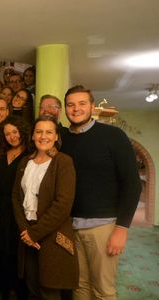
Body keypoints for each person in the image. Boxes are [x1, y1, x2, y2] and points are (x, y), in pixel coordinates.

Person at [61, 85, 141, 300]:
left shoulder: (113, 136)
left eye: (81, 103)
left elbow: (132, 184)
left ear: (92, 107)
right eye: (70, 104)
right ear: (65, 109)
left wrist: (122, 228)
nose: (76, 109)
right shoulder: (62, 140)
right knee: (79, 288)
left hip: (103, 227)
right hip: (71, 227)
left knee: (103, 291)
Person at [12, 115, 79, 299]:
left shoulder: (63, 162)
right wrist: (26, 231)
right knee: (31, 289)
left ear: (56, 136)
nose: (43, 136)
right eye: (39, 132)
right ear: (32, 136)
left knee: (49, 291)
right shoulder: (25, 161)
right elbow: (16, 198)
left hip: (51, 236)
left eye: (49, 132)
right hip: (27, 236)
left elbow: (63, 205)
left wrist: (35, 233)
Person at [0, 115, 29, 300]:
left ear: (22, 131)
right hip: (1, 211)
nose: (12, 137)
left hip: (20, 211)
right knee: (0, 256)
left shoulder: (31, 155)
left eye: (15, 132)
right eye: (7, 134)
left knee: (18, 257)